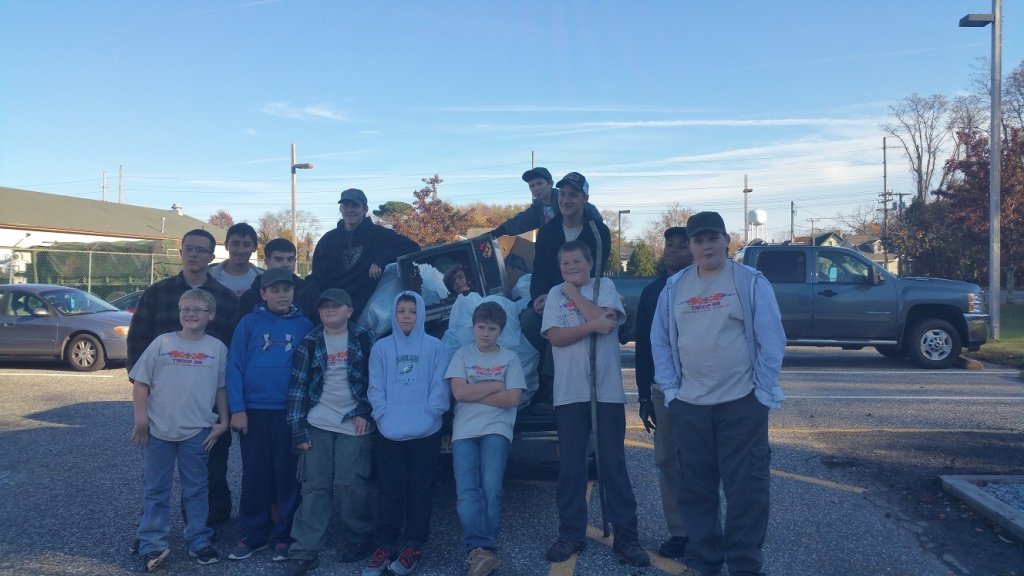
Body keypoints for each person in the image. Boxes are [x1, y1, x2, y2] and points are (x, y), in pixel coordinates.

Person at [651, 211, 786, 576]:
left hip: (740, 405)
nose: (706, 245)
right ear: (692, 246)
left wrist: (761, 393)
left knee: (746, 493)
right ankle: (705, 563)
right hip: (690, 407)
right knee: (696, 492)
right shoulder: (675, 287)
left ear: (727, 240)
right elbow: (660, 341)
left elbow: (772, 341)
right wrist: (672, 392)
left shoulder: (749, 282)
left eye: (713, 238)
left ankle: (744, 566)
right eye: (698, 240)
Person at [540, 241, 649, 567]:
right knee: (572, 466)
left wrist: (578, 300)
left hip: (606, 393)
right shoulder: (556, 294)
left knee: (612, 465)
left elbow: (609, 321)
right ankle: (571, 533)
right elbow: (556, 336)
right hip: (570, 393)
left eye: (576, 261)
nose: (570, 267)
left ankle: (626, 536)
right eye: (565, 263)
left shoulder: (606, 286)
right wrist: (588, 321)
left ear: (590, 263)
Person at [128, 228, 240, 529]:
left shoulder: (227, 300)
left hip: (209, 407)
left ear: (211, 256)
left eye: (201, 250)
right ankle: (151, 533)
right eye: (188, 248)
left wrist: (226, 410)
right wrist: (145, 397)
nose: (194, 254)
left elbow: (234, 357)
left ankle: (206, 529)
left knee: (211, 471)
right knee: (156, 477)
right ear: (181, 252)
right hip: (163, 405)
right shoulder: (157, 293)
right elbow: (137, 345)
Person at [129, 288, 230, 572]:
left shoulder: (217, 349)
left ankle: (199, 539)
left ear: (210, 315)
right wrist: (141, 420)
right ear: (179, 312)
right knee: (156, 490)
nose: (191, 314)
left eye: (198, 310)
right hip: (158, 431)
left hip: (197, 432)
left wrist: (222, 421)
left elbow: (221, 388)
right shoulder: (162, 343)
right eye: (186, 309)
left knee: (196, 489)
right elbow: (140, 384)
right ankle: (151, 543)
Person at [284, 288, 377, 575]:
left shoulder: (364, 338)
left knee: (353, 484)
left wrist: (366, 412)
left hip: (354, 421)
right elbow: (298, 388)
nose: (330, 311)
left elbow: (378, 382)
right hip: (318, 421)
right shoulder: (309, 343)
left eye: (337, 306)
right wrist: (298, 430)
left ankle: (358, 537)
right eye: (325, 307)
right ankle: (304, 549)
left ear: (350, 311)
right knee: (315, 487)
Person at [225, 267, 313, 563]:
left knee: (287, 476)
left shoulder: (305, 325)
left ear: (293, 292)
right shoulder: (249, 323)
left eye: (286, 289)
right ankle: (254, 534)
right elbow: (234, 366)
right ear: (263, 293)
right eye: (274, 290)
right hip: (254, 412)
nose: (281, 295)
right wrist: (237, 409)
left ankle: (284, 536)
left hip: (289, 412)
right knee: (255, 474)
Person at [364, 292, 450, 576]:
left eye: (412, 311)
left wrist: (433, 412)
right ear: (394, 313)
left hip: (425, 429)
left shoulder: (435, 346)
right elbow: (376, 386)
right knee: (390, 489)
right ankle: (386, 545)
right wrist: (382, 414)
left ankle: (414, 544)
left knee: (420, 488)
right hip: (390, 429)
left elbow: (440, 384)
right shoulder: (382, 348)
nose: (407, 316)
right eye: (401, 311)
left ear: (421, 314)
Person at [445, 302, 526, 576]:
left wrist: (475, 389)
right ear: (473, 327)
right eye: (481, 327)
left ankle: (481, 551)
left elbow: (513, 398)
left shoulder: (510, 359)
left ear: (500, 331)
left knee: (490, 488)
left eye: (492, 329)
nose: (486, 333)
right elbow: (459, 393)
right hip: (464, 432)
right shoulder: (461, 355)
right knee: (467, 493)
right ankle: (481, 551)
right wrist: (494, 386)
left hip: (496, 430)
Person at [520, 172, 611, 409]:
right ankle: (536, 382)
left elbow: (598, 272)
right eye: (563, 195)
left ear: (585, 198)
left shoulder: (598, 231)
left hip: (586, 298)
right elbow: (539, 270)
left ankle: (553, 388)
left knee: (564, 321)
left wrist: (577, 297)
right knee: (530, 321)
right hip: (552, 295)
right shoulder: (548, 232)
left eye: (574, 195)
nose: (566, 200)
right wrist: (537, 299)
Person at [634, 226, 693, 559]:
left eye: (681, 245)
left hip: (702, 389)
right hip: (662, 390)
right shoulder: (652, 292)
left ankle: (704, 527)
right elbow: (644, 346)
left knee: (699, 462)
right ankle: (680, 531)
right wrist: (644, 395)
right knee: (668, 460)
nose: (673, 249)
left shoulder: (702, 289)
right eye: (668, 244)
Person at [309, 188, 420, 315]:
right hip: (333, 312)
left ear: (365, 209)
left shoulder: (380, 235)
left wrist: (381, 260)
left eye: (355, 205)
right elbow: (317, 277)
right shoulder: (327, 240)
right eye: (346, 206)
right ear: (341, 209)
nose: (350, 210)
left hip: (366, 315)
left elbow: (412, 247)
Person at [489, 167, 603, 238]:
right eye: (532, 186)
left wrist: (593, 231)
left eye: (539, 183)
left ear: (550, 183)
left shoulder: (563, 199)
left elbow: (589, 210)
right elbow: (519, 222)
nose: (536, 189)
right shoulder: (537, 210)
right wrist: (497, 232)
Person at [238, 238, 321, 324]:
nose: (286, 264)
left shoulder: (309, 293)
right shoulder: (249, 297)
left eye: (290, 259)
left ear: (295, 261)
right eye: (279, 259)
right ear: (267, 262)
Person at [208, 223, 262, 298]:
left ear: (254, 248)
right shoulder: (208, 276)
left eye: (246, 245)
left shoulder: (263, 279)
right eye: (235, 244)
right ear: (226, 245)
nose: (240, 250)